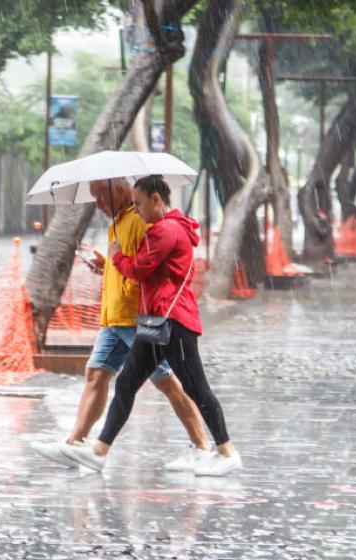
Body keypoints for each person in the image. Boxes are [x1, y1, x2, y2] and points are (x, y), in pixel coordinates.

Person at [58, 175, 241, 477]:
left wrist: (117, 257)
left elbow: (140, 269)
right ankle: (99, 452)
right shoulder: (164, 228)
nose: (137, 209)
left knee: (196, 387)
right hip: (155, 321)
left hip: (174, 321)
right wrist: (115, 260)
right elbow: (143, 268)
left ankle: (226, 451)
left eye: (140, 203)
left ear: (156, 199)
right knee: (127, 382)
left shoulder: (166, 229)